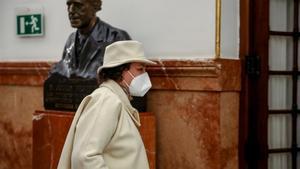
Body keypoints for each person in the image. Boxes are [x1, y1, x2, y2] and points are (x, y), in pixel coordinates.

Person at [57, 40, 156, 169]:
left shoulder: (115, 99)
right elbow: (85, 157)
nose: (144, 75)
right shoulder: (106, 100)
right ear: (121, 70)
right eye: (140, 69)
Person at [50, 0, 131, 78]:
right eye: (69, 5)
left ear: (95, 6)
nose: (71, 10)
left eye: (78, 5)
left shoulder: (116, 37)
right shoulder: (71, 40)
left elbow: (127, 78)